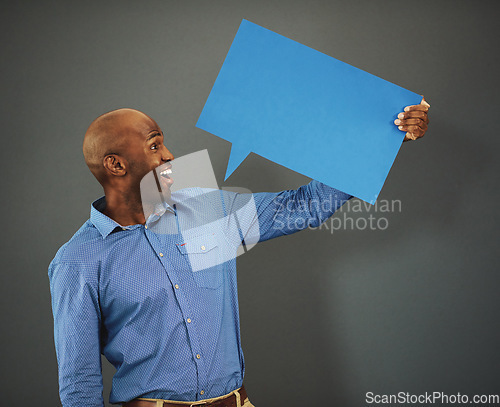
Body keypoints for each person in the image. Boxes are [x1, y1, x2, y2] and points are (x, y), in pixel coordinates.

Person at [48, 101, 430, 407]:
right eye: (153, 145)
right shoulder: (77, 261)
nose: (168, 155)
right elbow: (79, 382)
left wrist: (383, 139)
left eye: (162, 142)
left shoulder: (207, 211)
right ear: (116, 164)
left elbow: (306, 205)